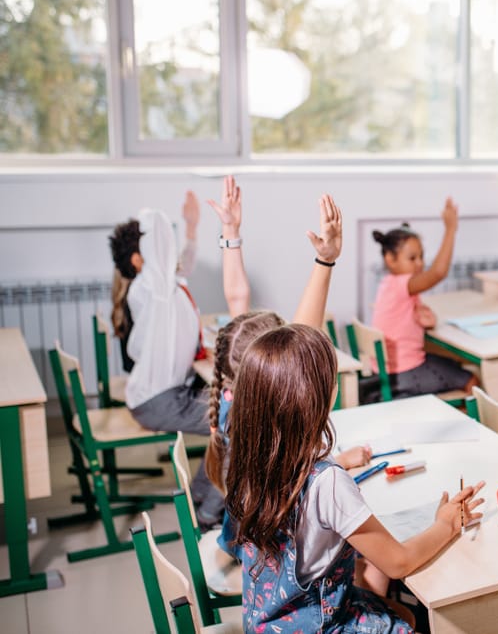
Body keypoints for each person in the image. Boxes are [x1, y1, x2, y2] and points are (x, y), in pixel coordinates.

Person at [226, 324, 486, 632]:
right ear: (326, 394)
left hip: (268, 621)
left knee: (384, 590)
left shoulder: (249, 462)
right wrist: (447, 522)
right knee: (407, 611)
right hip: (318, 623)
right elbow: (398, 562)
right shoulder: (329, 483)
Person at [203, 177, 383, 592]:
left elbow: (236, 301)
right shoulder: (263, 413)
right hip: (265, 552)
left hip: (242, 532)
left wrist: (231, 234)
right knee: (371, 557)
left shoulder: (237, 395)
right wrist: (325, 263)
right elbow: (305, 332)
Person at [109, 195, 227, 526]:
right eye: (154, 245)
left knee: (233, 410)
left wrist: (191, 227)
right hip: (158, 401)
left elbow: (184, 264)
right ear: (138, 259)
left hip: (172, 393)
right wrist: (155, 218)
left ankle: (202, 495)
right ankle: (208, 513)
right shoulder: (149, 287)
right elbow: (153, 223)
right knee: (239, 423)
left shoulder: (165, 284)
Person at [370, 198, 478, 399]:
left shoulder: (389, 284)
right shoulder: (404, 283)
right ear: (390, 260)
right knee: (472, 380)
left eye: (421, 256)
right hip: (406, 372)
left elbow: (412, 319)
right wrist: (451, 229)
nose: (419, 264)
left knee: (453, 365)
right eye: (412, 258)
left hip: (385, 373)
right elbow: (438, 273)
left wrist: (425, 320)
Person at [110, 190, 199, 372]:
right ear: (138, 259)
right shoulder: (145, 289)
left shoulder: (148, 283)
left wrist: (191, 227)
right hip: (151, 376)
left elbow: (180, 268)